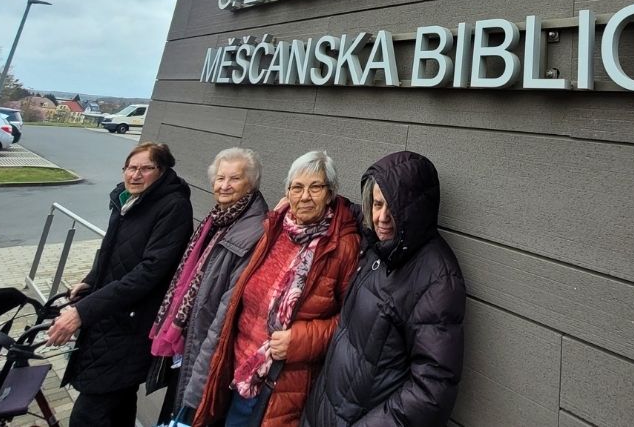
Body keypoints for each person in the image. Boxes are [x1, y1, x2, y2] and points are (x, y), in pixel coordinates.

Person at [193, 150, 360, 427]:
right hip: (236, 366)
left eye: (315, 187)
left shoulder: (344, 246)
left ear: (330, 193)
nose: (304, 196)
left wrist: (300, 340)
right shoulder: (276, 227)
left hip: (281, 383)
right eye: (297, 187)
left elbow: (353, 323)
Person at [303, 151, 466, 427]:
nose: (381, 217)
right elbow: (354, 212)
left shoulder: (437, 278)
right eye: (376, 204)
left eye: (393, 208)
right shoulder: (380, 246)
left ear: (415, 211)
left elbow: (432, 389)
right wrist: (312, 199)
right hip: (322, 410)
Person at [47, 141, 194, 427]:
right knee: (119, 403)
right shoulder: (126, 200)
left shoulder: (173, 207)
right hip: (108, 316)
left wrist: (81, 312)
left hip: (131, 323)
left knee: (90, 413)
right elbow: (112, 251)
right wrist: (91, 280)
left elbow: (150, 272)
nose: (135, 175)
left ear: (162, 171)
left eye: (145, 169)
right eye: (131, 167)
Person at [149, 147, 270, 426]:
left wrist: (199, 381)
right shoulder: (216, 219)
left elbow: (224, 316)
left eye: (234, 179)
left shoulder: (254, 231)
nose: (224, 186)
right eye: (219, 178)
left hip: (205, 357)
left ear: (251, 183)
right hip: (188, 345)